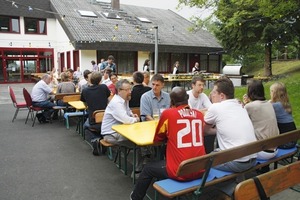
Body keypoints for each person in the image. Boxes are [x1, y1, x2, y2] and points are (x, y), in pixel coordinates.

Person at [130, 87, 206, 200]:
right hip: (200, 168)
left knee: (148, 168)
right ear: (187, 98)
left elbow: (158, 138)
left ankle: (135, 197)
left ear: (171, 102)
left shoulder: (168, 114)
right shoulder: (199, 115)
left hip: (181, 171)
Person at [204, 77, 257, 172]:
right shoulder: (239, 104)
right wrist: (219, 129)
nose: (211, 95)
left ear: (222, 96)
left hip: (237, 162)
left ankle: (228, 186)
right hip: (252, 158)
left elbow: (205, 130)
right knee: (220, 149)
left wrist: (216, 130)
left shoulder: (216, 107)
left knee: (203, 161)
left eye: (214, 92)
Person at [244, 79, 279, 160]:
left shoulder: (250, 107)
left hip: (262, 152)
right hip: (275, 149)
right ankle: (264, 168)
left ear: (250, 92)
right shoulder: (269, 104)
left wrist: (246, 104)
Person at [101, 79, 140, 144]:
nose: (130, 92)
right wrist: (136, 119)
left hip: (121, 130)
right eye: (127, 90)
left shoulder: (125, 99)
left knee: (138, 135)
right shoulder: (116, 102)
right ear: (119, 91)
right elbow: (125, 120)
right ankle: (144, 153)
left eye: (130, 89)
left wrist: (132, 115)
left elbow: (128, 111)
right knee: (136, 138)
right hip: (111, 134)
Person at [81, 71, 111, 155]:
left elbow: (85, 103)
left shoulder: (85, 90)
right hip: (106, 120)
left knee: (85, 126)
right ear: (100, 79)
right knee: (100, 127)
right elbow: (109, 100)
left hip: (93, 120)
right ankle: (102, 139)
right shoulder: (104, 87)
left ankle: (95, 139)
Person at [187, 75, 213, 153]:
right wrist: (203, 110)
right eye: (199, 85)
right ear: (193, 85)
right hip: (190, 125)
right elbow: (190, 112)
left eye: (203, 85)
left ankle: (208, 154)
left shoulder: (203, 95)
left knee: (210, 133)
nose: (202, 87)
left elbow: (211, 109)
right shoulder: (187, 95)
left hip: (201, 123)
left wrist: (198, 111)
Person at [270, 82, 297, 149]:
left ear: (274, 93)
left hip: (285, 143)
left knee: (265, 143)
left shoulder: (275, 106)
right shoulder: (286, 103)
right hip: (293, 140)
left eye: (271, 91)